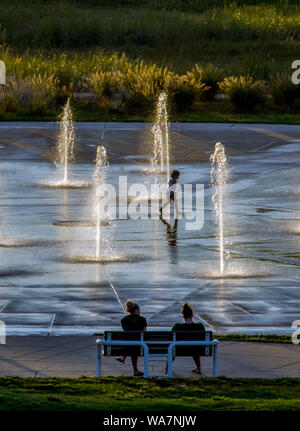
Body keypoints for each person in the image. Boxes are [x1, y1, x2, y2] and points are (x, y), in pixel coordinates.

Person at [169, 302, 205, 375]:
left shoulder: (177, 327)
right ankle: (199, 369)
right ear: (192, 315)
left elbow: (170, 338)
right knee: (195, 347)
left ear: (183, 316)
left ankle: (167, 369)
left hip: (180, 350)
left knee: (173, 349)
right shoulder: (199, 326)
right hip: (195, 349)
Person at [116, 299, 147, 376]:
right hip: (139, 345)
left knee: (129, 341)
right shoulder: (142, 319)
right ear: (136, 310)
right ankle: (135, 371)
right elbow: (145, 332)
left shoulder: (124, 320)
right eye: (139, 310)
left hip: (128, 345)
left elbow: (125, 332)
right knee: (134, 346)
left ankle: (123, 357)